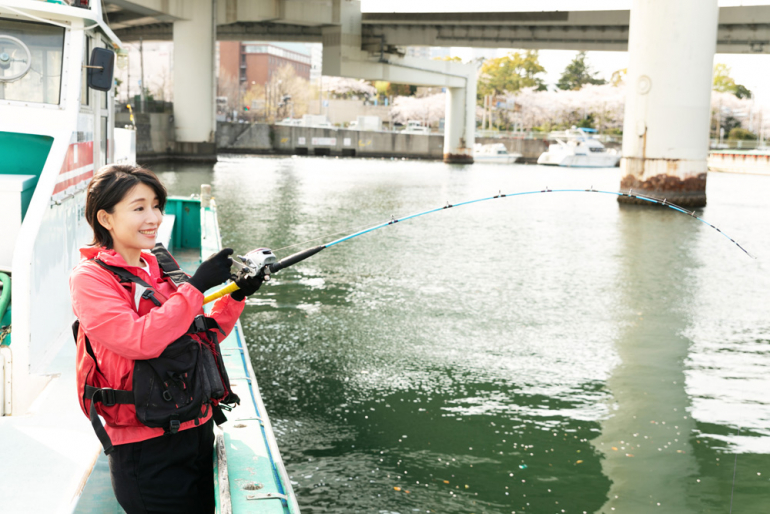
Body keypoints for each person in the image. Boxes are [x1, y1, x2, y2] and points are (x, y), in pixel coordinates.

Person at [70, 164, 262, 513]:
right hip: (147, 451)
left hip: (197, 430)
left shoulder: (159, 265)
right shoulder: (91, 279)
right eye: (139, 207)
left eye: (157, 205)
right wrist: (195, 287)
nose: (154, 217)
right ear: (106, 218)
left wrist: (236, 294)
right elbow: (137, 341)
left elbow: (202, 336)